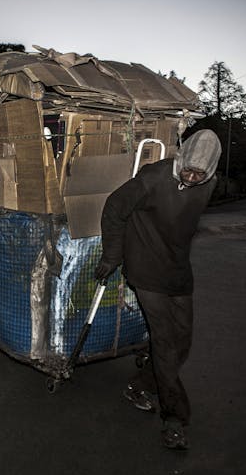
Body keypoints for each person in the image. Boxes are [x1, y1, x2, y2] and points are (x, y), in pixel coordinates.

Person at [94, 129, 221, 451]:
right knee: (164, 343)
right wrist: (113, 256)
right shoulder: (153, 178)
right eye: (188, 169)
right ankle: (174, 419)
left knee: (182, 341)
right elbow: (114, 208)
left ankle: (140, 386)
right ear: (181, 159)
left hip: (178, 270)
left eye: (200, 174)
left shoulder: (210, 184)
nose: (191, 178)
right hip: (146, 269)